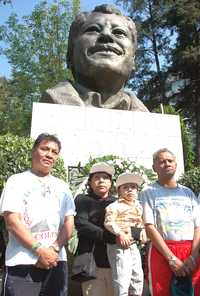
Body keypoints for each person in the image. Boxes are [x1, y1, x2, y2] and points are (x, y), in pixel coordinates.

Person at [0, 133, 76, 296]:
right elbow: (12, 221)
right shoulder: (16, 181)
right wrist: (39, 250)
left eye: (54, 152)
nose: (49, 154)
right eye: (44, 149)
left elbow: (69, 222)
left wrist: (53, 249)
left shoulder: (62, 186)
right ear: (34, 151)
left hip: (56, 261)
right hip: (22, 261)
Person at [41, 4, 148, 112]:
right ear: (70, 56)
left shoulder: (144, 116)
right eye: (93, 30)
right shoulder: (53, 103)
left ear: (133, 60)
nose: (106, 35)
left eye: (119, 32)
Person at [140, 148, 200, 296]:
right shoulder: (148, 192)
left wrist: (193, 256)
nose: (166, 164)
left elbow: (198, 226)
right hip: (163, 251)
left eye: (170, 161)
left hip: (190, 251)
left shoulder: (188, 193)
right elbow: (149, 227)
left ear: (176, 164)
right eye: (161, 161)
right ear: (154, 167)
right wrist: (171, 258)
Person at [74, 162, 116, 296]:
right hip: (92, 264)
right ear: (90, 182)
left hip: (115, 262)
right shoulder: (83, 200)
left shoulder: (117, 203)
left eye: (105, 177)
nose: (101, 181)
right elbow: (81, 223)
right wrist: (108, 236)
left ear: (111, 183)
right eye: (97, 177)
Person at [104, 172, 146, 296]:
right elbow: (109, 222)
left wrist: (143, 230)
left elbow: (141, 222)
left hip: (134, 245)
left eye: (133, 187)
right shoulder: (114, 206)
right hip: (119, 246)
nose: (129, 190)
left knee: (137, 276)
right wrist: (120, 233)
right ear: (119, 191)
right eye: (125, 187)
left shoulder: (139, 206)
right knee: (122, 278)